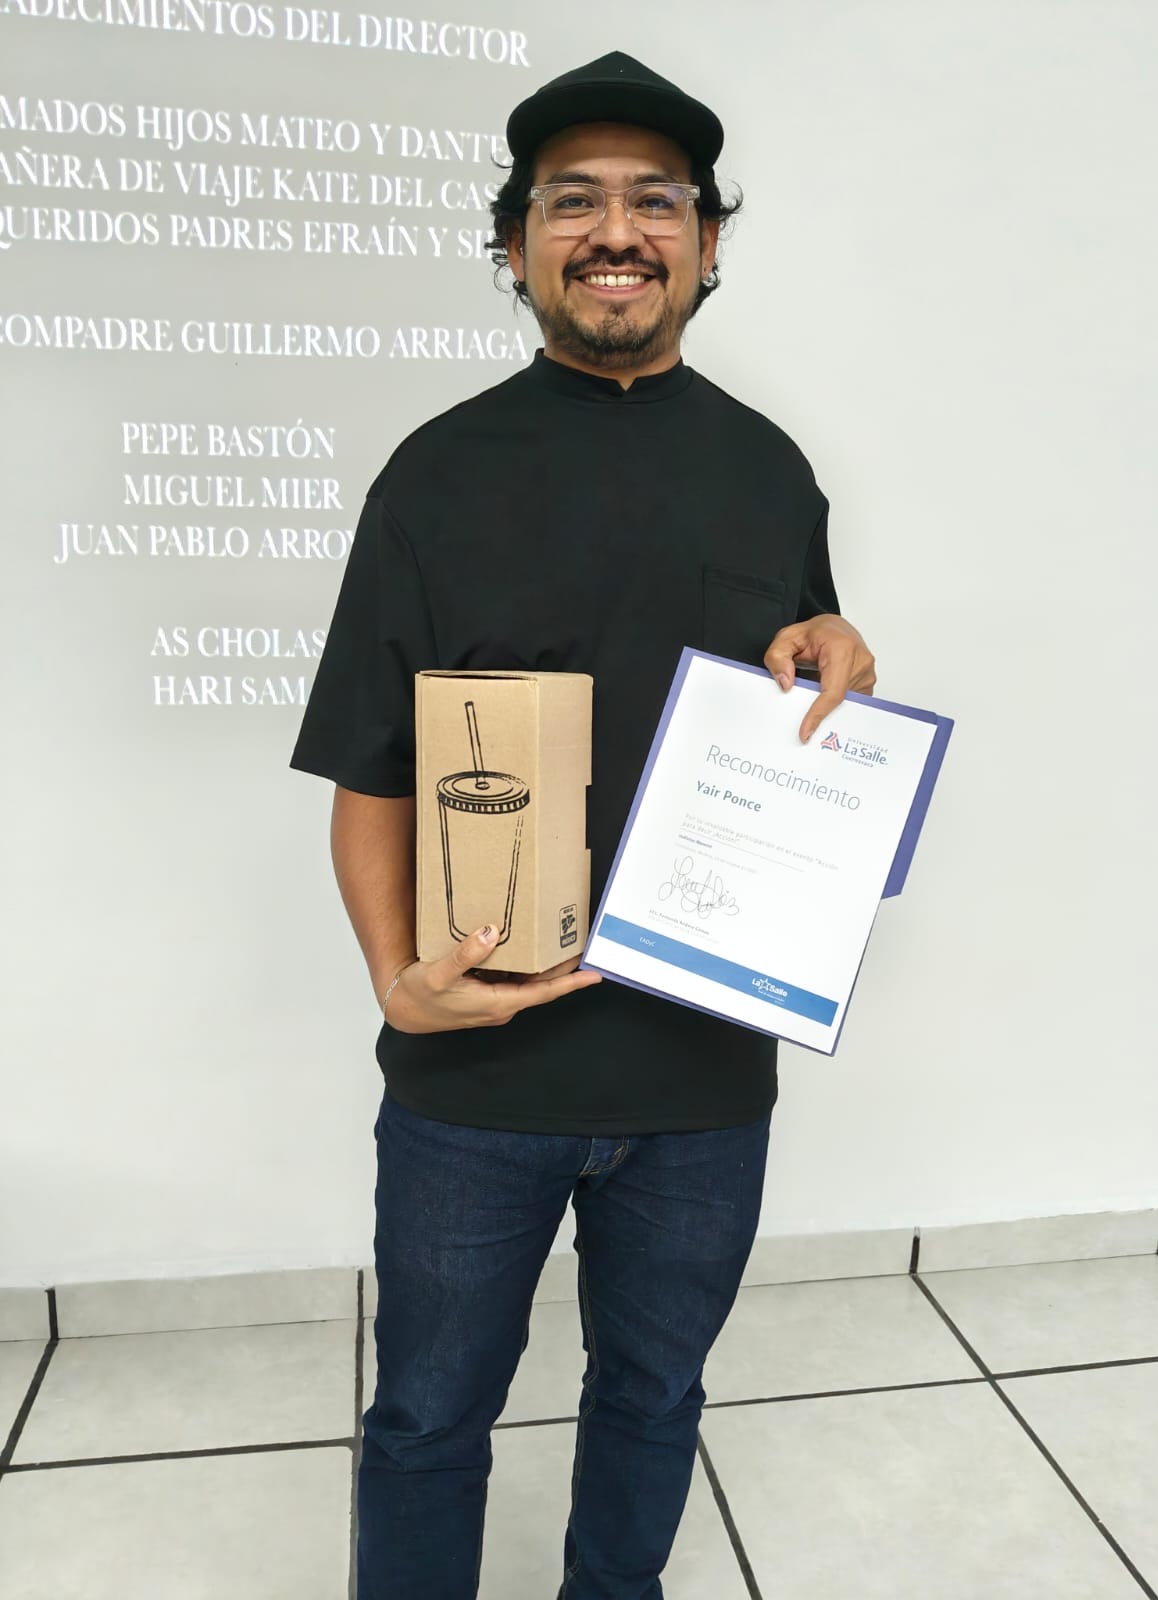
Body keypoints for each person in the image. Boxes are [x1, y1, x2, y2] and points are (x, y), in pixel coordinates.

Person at [289, 49, 876, 1600]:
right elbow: (371, 771)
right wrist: (395, 983)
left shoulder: (768, 471)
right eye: (574, 202)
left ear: (707, 240)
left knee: (655, 1397)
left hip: (702, 1072)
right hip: (476, 1076)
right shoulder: (434, 476)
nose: (618, 231)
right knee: (427, 1419)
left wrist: (837, 650)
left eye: (656, 201)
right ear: (515, 245)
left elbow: (800, 690)